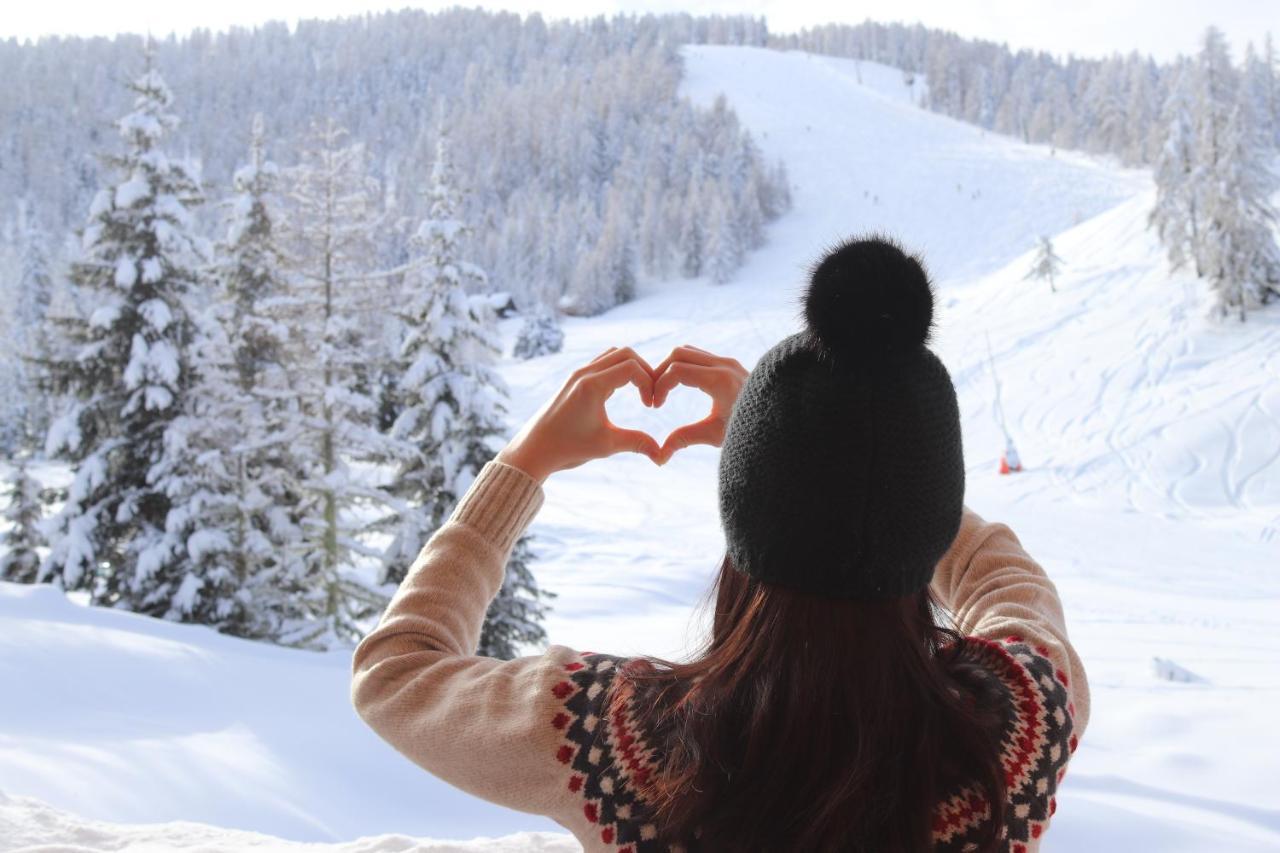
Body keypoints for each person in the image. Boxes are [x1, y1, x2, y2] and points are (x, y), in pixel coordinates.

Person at [350, 235, 1089, 852]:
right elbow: (1002, 577)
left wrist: (525, 463)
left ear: (746, 524)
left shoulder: (617, 746)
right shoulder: (1020, 729)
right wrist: (859, 462)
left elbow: (394, 672)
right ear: (922, 519)